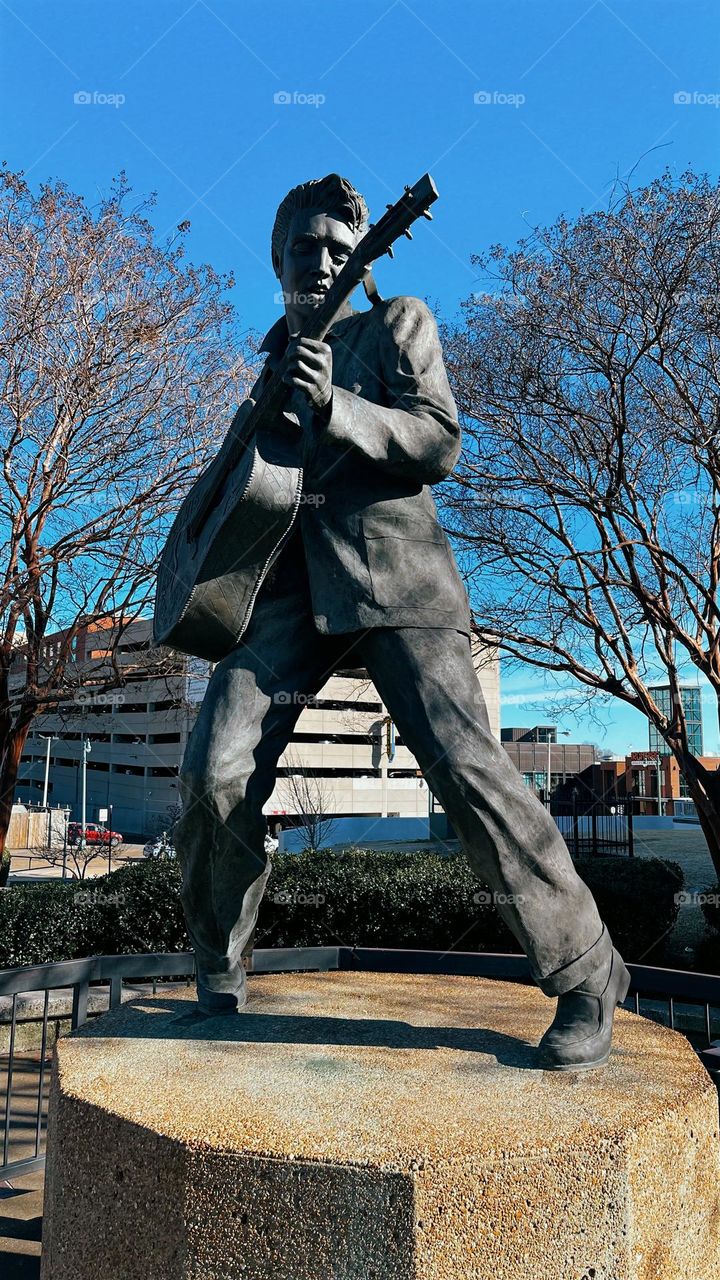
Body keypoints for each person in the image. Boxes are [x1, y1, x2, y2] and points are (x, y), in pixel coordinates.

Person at [173, 173, 630, 1069]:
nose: (322, 260)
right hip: (281, 593)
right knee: (212, 769)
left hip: (394, 577)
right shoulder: (270, 359)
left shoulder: (397, 323)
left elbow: (438, 438)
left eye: (339, 248)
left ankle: (587, 969)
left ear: (365, 258)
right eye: (304, 246)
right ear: (279, 259)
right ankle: (218, 968)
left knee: (465, 769)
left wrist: (339, 406)